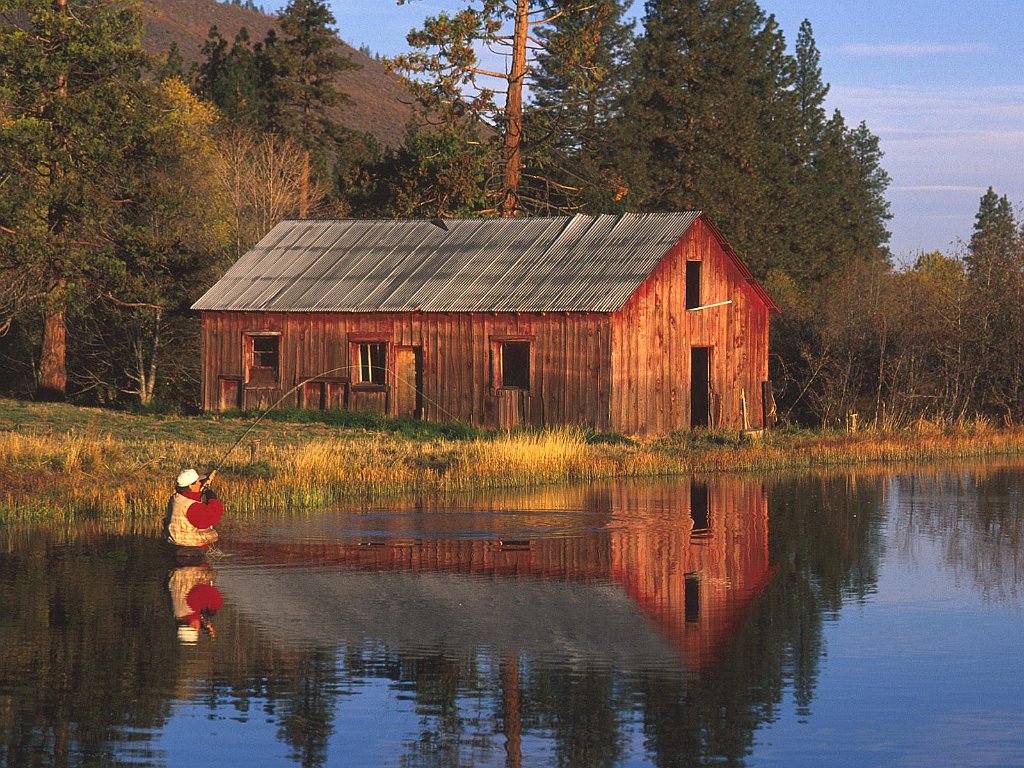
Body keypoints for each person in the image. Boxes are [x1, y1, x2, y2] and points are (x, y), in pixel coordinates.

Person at [166, 468, 224, 553]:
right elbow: (213, 515)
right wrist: (212, 498)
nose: (200, 483)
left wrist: (203, 487)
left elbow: (191, 495)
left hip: (175, 543)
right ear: (190, 486)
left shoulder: (175, 498)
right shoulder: (192, 507)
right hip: (191, 549)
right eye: (198, 482)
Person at [168, 563, 223, 644]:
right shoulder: (177, 613)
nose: (199, 627)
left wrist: (212, 611)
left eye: (198, 628)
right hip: (176, 571)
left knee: (212, 575)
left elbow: (215, 597)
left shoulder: (191, 607)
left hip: (196, 570)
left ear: (193, 626)